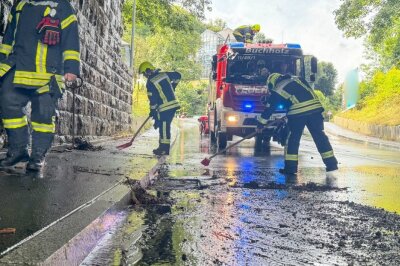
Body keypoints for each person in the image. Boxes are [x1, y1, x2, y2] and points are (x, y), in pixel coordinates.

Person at [0, 0, 80, 171]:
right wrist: (2, 61)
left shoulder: (62, 7)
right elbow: (8, 37)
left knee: (43, 115)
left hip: (48, 74)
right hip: (18, 69)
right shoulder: (20, 5)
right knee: (8, 102)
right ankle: (18, 150)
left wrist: (71, 67)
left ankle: (37, 156)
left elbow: (70, 39)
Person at [257, 73, 338, 175]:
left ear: (272, 83)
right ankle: (332, 164)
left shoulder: (278, 88)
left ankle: (290, 169)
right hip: (315, 110)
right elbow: (300, 96)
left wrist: (260, 125)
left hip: (298, 115)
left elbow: (269, 109)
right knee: (320, 137)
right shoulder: (298, 79)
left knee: (292, 140)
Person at [138, 62, 181, 156]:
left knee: (164, 127)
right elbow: (178, 75)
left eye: (144, 73)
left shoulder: (150, 82)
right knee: (163, 126)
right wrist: (173, 86)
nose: (145, 76)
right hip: (172, 105)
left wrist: (152, 111)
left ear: (148, 71)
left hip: (166, 107)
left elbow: (153, 99)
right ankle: (162, 147)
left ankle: (164, 149)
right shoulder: (164, 74)